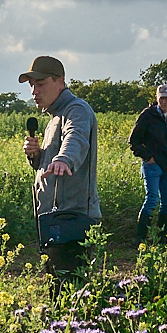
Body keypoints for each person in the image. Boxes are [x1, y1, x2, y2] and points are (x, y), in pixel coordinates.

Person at [20, 55, 101, 280]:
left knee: (70, 291)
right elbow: (50, 164)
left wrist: (64, 159)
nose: (34, 91)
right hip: (56, 217)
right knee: (57, 290)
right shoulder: (54, 116)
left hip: (72, 218)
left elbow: (76, 137)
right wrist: (37, 156)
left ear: (61, 82)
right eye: (32, 85)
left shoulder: (77, 110)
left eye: (41, 83)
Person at [128, 83, 167, 245]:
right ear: (157, 98)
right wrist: (147, 157)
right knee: (152, 199)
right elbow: (134, 141)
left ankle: (161, 239)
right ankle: (140, 238)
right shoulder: (147, 115)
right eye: (162, 98)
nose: (164, 101)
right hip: (152, 165)